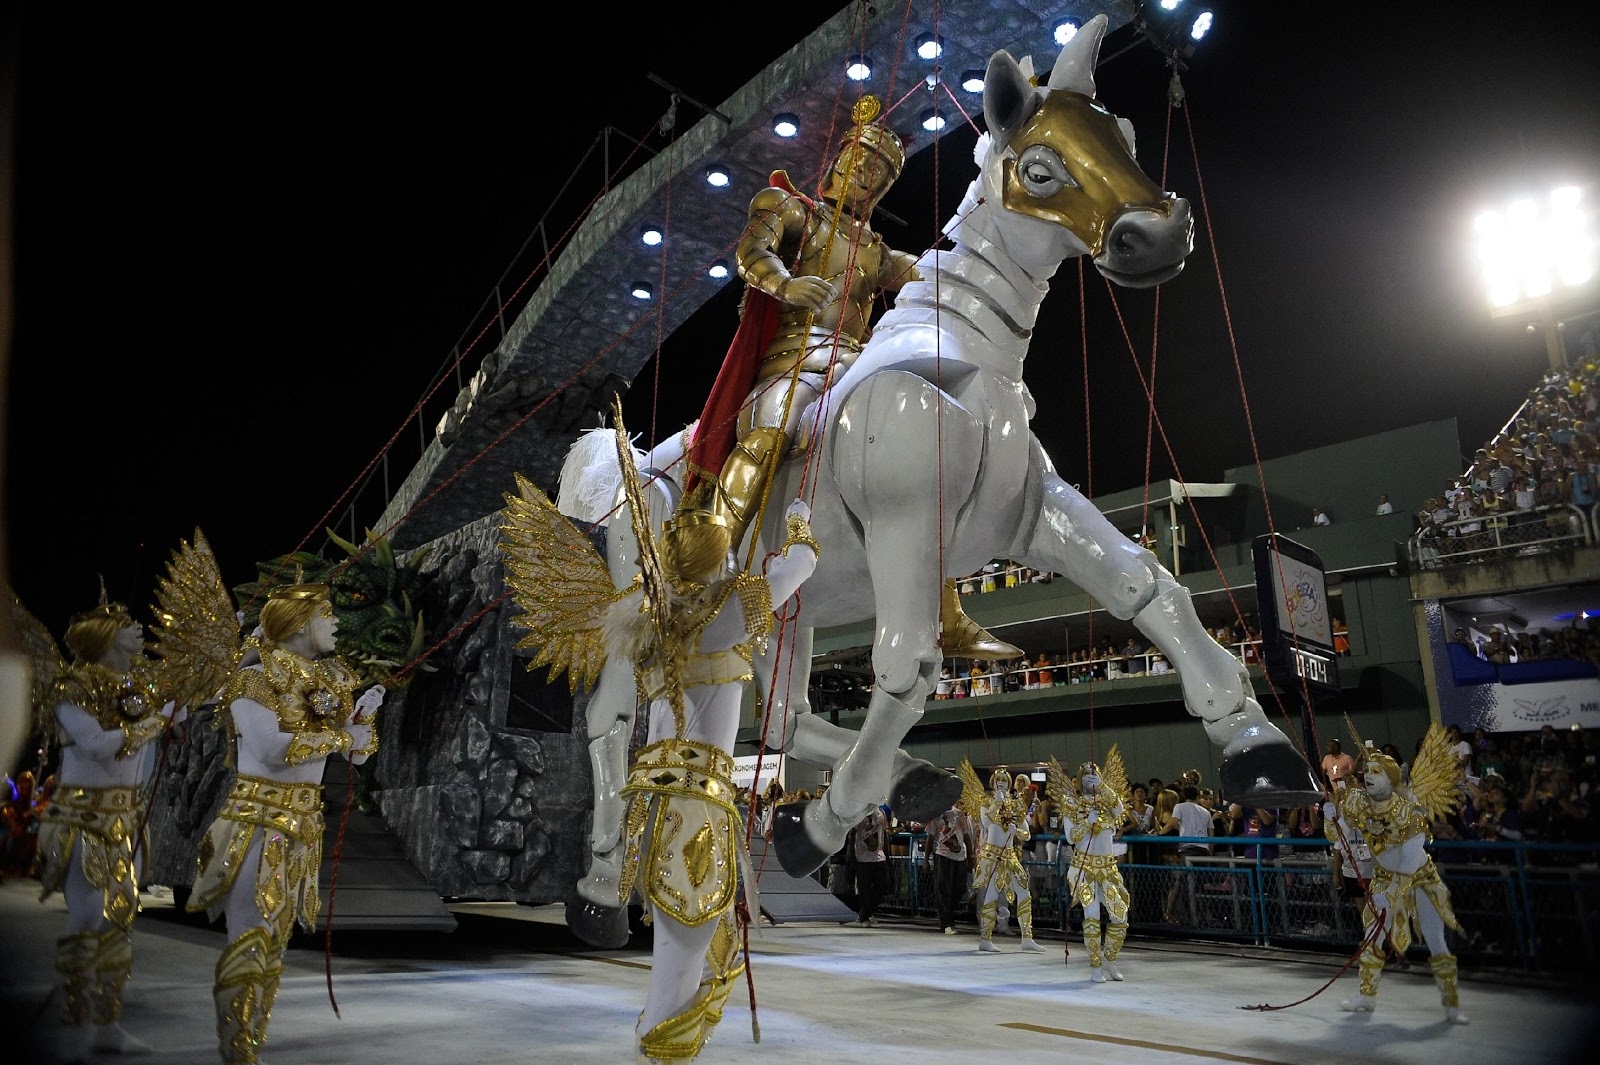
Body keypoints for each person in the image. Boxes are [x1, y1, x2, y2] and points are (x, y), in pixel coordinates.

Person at [500, 418, 820, 1064]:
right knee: (680, 969)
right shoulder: (715, 618)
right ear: (711, 571)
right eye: (726, 558)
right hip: (692, 812)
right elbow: (797, 570)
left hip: (674, 805)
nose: (735, 566)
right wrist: (800, 526)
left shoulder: (663, 623)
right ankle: (660, 1051)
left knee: (687, 963)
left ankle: (661, 1043)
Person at [662, 94, 1016, 660]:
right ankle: (707, 558)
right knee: (772, 428)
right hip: (793, 361)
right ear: (836, 163)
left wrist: (991, 224)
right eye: (860, 163)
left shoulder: (876, 251)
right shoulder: (791, 208)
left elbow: (932, 272)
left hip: (858, 363)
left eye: (877, 175)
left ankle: (945, 611)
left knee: (917, 457)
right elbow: (751, 250)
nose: (865, 178)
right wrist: (783, 284)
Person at [187, 581, 384, 1064]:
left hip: (302, 826)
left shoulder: (329, 680)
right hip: (256, 821)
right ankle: (236, 1052)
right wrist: (342, 736)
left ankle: (250, 1047)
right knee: (251, 942)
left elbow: (357, 755)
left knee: (274, 951)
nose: (335, 622)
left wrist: (362, 723)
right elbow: (274, 752)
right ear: (299, 622)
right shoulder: (253, 680)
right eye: (327, 613)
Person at [34, 594, 176, 1061]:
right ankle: (73, 1025)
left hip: (128, 818)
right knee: (87, 917)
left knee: (122, 921)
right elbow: (95, 744)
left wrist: (176, 709)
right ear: (103, 636)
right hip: (84, 819)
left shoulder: (138, 685)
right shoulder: (70, 686)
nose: (138, 629)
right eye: (128, 624)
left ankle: (108, 1023)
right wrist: (154, 724)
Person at [1328, 731, 1469, 1023]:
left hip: (1419, 879)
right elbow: (1336, 834)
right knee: (1371, 937)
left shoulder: (1408, 808)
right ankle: (1366, 997)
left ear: (1391, 778)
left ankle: (1451, 1002)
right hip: (1382, 877)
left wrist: (1395, 889)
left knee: (1434, 939)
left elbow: (1410, 855)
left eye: (1376, 772)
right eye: (1366, 771)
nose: (1369, 776)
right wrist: (1333, 815)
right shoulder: (1358, 803)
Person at [1050, 752, 1133, 982]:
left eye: (1094, 773)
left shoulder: (1107, 801)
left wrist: (1104, 788)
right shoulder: (1072, 805)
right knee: (1092, 915)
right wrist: (1088, 822)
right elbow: (1071, 837)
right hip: (1084, 868)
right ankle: (1095, 965)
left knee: (1120, 916)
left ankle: (1109, 958)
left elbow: (1119, 811)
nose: (1090, 776)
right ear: (1078, 778)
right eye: (1086, 774)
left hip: (1108, 868)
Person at [959, 762, 1042, 953]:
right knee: (991, 895)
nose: (1001, 783)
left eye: (1004, 780)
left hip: (1010, 855)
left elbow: (1027, 833)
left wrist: (1018, 832)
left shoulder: (1015, 805)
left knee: (1024, 893)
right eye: (998, 780)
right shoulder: (986, 802)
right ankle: (985, 937)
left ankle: (1027, 937)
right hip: (992, 855)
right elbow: (987, 823)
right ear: (993, 782)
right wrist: (997, 802)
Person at [924, 804, 975, 935]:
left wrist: (970, 857)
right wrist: (926, 860)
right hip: (942, 855)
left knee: (960, 888)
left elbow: (966, 836)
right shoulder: (935, 814)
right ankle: (946, 922)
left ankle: (949, 915)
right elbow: (930, 838)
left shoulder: (960, 814)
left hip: (959, 856)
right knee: (943, 889)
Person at [852, 804, 890, 927]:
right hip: (863, 857)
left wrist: (887, 854)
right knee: (865, 889)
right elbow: (853, 834)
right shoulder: (859, 813)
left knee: (882, 885)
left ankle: (867, 911)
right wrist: (853, 856)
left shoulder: (880, 813)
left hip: (879, 855)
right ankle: (865, 917)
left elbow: (884, 833)